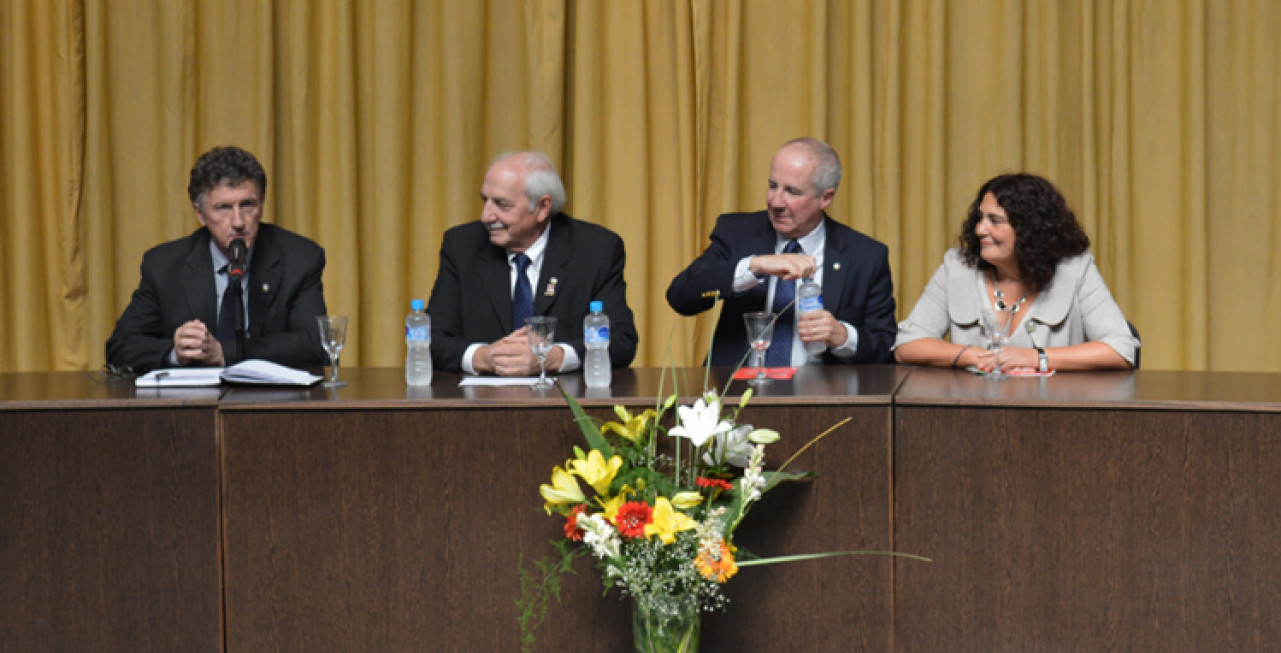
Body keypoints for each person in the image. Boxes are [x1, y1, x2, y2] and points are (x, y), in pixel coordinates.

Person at [665, 138, 897, 367]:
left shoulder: (865, 256)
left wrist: (843, 337)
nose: (775, 201)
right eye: (773, 186)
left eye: (792, 192)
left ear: (826, 198)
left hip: (822, 397)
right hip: (736, 393)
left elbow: (884, 346)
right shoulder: (737, 233)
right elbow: (681, 296)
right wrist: (752, 266)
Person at [106, 146, 328, 372]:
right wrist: (175, 353)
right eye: (223, 208)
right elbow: (120, 347)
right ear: (200, 213)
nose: (238, 221)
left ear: (261, 204)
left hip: (270, 400)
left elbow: (316, 344)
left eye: (247, 205)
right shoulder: (164, 265)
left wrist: (225, 353)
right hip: (193, 403)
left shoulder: (300, 258)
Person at [893, 172, 1138, 372]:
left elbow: (1120, 349)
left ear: (1030, 230)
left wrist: (1036, 358)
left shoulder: (1076, 269)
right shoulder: (956, 267)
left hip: (1057, 416)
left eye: (995, 221)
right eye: (980, 218)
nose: (980, 229)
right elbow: (907, 345)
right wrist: (973, 356)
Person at [427, 151, 638, 375]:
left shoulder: (595, 249)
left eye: (502, 204)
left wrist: (556, 357)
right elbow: (429, 339)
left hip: (565, 401)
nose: (486, 216)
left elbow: (621, 341)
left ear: (543, 207)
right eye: (485, 200)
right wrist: (483, 357)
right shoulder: (462, 246)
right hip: (480, 401)